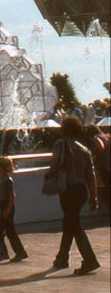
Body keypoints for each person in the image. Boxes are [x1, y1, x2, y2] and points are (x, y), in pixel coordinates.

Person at [48, 116, 100, 274]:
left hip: (68, 189)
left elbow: (55, 165)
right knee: (70, 222)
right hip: (81, 190)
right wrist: (93, 196)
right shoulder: (84, 148)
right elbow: (91, 176)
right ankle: (62, 257)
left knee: (74, 224)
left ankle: (90, 260)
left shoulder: (61, 144)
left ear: (64, 129)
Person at [0, 156, 27, 262]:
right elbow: (0, 194)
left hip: (6, 208)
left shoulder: (7, 180)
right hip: (4, 207)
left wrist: (7, 210)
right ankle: (20, 253)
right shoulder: (3, 179)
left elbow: (12, 197)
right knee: (10, 231)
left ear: (3, 168)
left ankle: (3, 253)